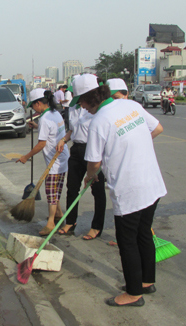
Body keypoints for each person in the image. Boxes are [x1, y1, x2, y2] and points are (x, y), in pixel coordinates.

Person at [73, 74, 166, 307]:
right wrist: (131, 147)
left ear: (90, 98)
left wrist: (89, 177)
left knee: (127, 241)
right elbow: (157, 128)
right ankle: (146, 281)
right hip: (152, 183)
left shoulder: (99, 122)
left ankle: (134, 293)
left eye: (81, 102)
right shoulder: (130, 105)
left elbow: (93, 163)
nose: (82, 107)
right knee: (144, 233)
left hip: (130, 189)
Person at [56, 76, 106, 240]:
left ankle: (96, 226)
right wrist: (63, 139)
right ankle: (71, 222)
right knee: (72, 187)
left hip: (93, 150)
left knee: (97, 191)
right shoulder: (74, 108)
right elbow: (73, 129)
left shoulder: (99, 110)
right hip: (77, 150)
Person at [16, 88, 70, 236]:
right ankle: (58, 214)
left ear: (38, 103)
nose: (33, 109)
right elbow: (52, 132)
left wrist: (26, 157)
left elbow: (41, 144)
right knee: (55, 190)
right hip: (62, 156)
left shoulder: (45, 119)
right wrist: (37, 127)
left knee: (52, 193)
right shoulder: (55, 113)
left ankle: (51, 223)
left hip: (55, 161)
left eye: (33, 106)